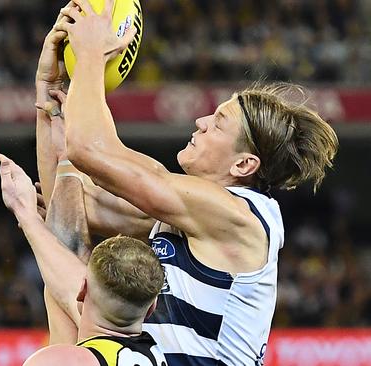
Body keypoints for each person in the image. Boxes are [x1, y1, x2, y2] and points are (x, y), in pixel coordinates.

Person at [33, 0, 340, 365]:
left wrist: (92, 57)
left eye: (218, 123)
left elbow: (89, 150)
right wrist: (49, 97)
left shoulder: (240, 216)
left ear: (244, 164)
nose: (200, 122)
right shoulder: (185, 215)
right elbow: (68, 207)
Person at [0, 153, 167, 366]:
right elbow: (64, 272)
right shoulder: (164, 352)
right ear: (152, 306)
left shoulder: (63, 361)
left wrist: (23, 208)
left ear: (83, 289)